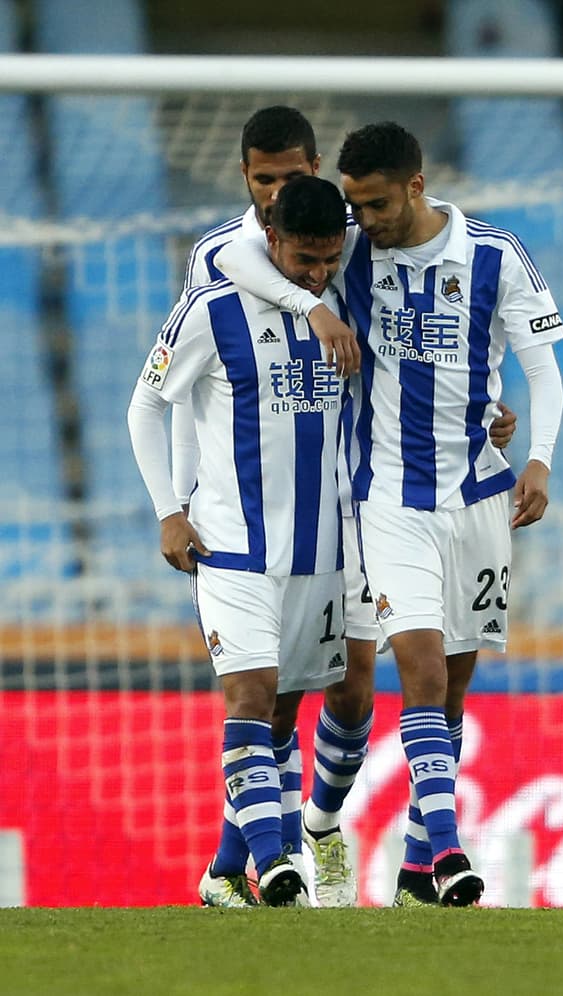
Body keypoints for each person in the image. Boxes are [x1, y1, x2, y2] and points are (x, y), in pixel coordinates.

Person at [215, 120, 563, 908]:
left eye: (375, 205)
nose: (362, 221)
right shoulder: (350, 250)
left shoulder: (495, 255)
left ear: (415, 186)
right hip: (385, 498)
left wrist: (537, 455)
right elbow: (240, 254)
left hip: (480, 495)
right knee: (418, 670)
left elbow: (543, 369)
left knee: (453, 691)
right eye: (355, 206)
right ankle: (448, 854)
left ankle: (406, 867)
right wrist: (313, 310)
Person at [128, 175, 356, 907]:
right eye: (304, 259)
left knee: (284, 713)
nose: (317, 273)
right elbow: (145, 405)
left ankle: (224, 873)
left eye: (329, 258)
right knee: (249, 696)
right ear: (272, 240)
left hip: (320, 554)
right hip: (231, 546)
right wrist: (169, 509)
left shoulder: (346, 304)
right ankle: (277, 860)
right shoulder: (212, 310)